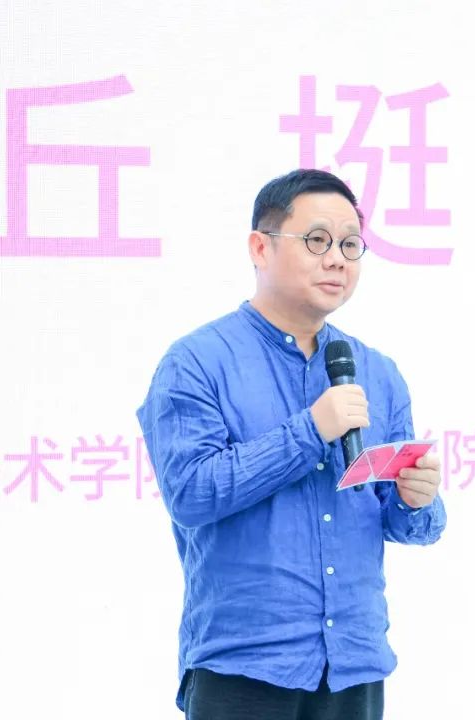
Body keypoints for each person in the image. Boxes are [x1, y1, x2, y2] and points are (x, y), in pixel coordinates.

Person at [136, 169, 447, 720]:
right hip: (244, 666)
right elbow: (191, 494)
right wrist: (311, 430)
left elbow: (404, 522)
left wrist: (416, 499)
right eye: (317, 240)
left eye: (350, 245)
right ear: (261, 247)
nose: (337, 260)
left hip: (354, 662)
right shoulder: (197, 361)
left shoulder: (377, 372)